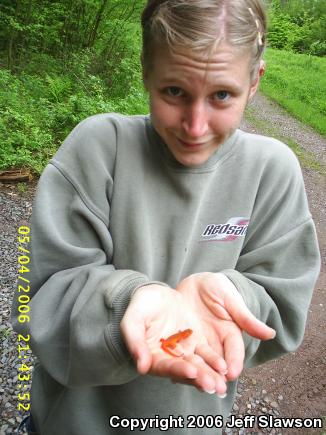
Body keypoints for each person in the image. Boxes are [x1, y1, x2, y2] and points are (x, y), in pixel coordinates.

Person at [12, 0, 321, 434]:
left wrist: (232, 295)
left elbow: (282, 307)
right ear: (146, 72)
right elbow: (37, 303)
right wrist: (126, 305)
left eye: (221, 95)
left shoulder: (272, 170)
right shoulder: (97, 148)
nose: (195, 126)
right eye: (174, 92)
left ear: (255, 82)